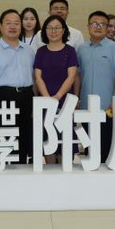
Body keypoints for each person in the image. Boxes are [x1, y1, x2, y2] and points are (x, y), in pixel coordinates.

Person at [0, 10, 36, 163]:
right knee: (3, 144)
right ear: (1, 27)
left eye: (16, 23)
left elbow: (34, 78)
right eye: (8, 23)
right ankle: (1, 175)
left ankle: (22, 171)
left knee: (23, 141)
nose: (13, 26)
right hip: (3, 98)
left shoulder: (29, 50)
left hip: (26, 98)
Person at [77, 10, 115, 162]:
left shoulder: (114, 47)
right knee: (89, 146)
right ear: (88, 26)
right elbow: (78, 75)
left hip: (107, 107)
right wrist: (77, 98)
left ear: (107, 27)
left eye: (102, 24)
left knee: (105, 147)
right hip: (86, 106)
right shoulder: (81, 48)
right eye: (94, 23)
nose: (98, 27)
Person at [34, 15, 79, 164]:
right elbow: (38, 77)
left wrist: (57, 96)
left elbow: (71, 76)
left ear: (63, 30)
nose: (53, 31)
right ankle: (50, 171)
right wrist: (48, 99)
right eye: (50, 28)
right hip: (45, 101)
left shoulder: (70, 51)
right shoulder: (41, 51)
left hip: (65, 101)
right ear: (45, 31)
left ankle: (65, 172)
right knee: (48, 139)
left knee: (65, 137)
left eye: (57, 28)